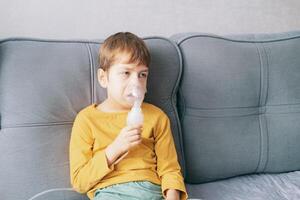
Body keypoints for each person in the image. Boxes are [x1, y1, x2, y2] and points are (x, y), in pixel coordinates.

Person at [69, 32, 188, 200]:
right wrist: (114, 149)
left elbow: (170, 170)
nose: (136, 83)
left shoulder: (157, 117)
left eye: (142, 75)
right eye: (126, 73)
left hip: (154, 191)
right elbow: (79, 182)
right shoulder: (86, 120)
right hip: (111, 193)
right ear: (103, 78)